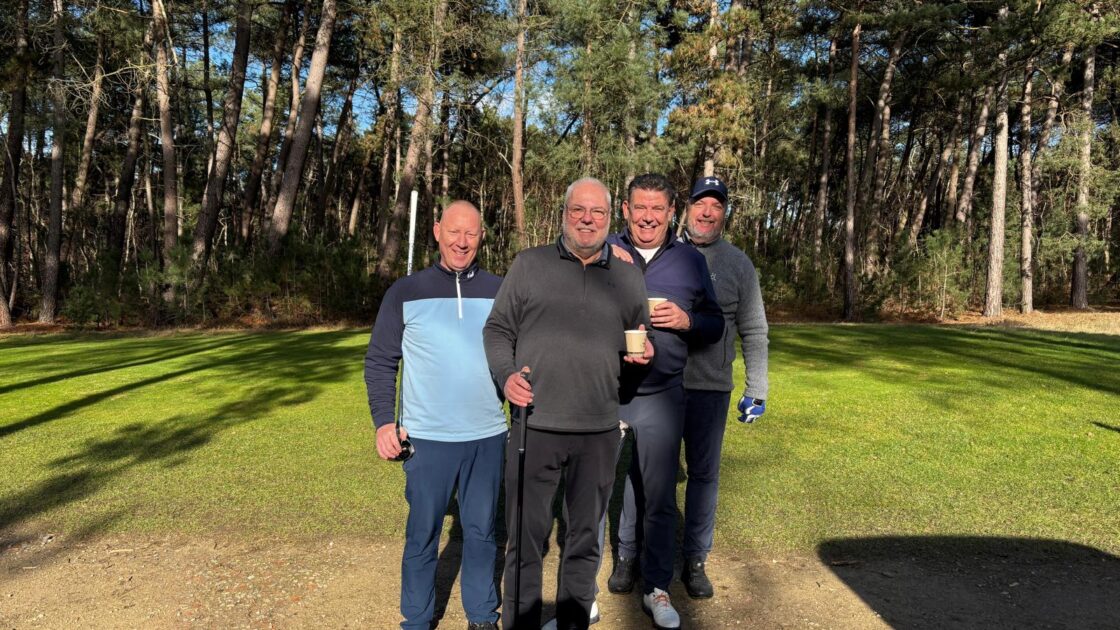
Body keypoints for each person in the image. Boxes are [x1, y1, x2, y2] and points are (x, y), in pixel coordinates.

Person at [482, 177, 652, 630]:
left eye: (597, 212)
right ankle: (520, 623)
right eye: (578, 210)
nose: (587, 219)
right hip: (535, 425)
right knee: (525, 539)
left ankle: (574, 622)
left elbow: (638, 343)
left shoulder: (628, 276)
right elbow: (497, 329)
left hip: (599, 429)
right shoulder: (529, 265)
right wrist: (507, 375)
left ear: (610, 218)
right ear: (564, 214)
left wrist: (643, 358)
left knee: (584, 541)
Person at [364, 201, 506, 630]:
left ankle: (482, 615)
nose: (462, 242)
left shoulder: (502, 290)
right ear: (437, 230)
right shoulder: (405, 292)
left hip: (487, 436)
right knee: (422, 534)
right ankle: (417, 619)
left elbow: (521, 354)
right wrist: (383, 422)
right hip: (426, 439)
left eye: (471, 233)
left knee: (481, 532)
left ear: (482, 237)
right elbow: (380, 361)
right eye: (454, 232)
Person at [605, 173, 723, 629]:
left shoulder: (689, 260)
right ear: (626, 210)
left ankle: (656, 587)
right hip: (606, 393)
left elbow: (715, 324)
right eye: (640, 207)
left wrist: (687, 320)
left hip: (662, 395)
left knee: (659, 497)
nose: (648, 217)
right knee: (590, 493)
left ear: (672, 212)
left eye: (658, 208)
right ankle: (580, 591)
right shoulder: (604, 250)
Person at [678, 176, 769, 598]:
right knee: (646, 475)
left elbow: (754, 330)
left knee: (704, 477)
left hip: (711, 388)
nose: (707, 212)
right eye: (701, 203)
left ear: (724, 214)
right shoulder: (665, 254)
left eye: (716, 206)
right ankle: (631, 554)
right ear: (688, 207)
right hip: (659, 387)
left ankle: (696, 560)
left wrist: (758, 388)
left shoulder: (738, 264)